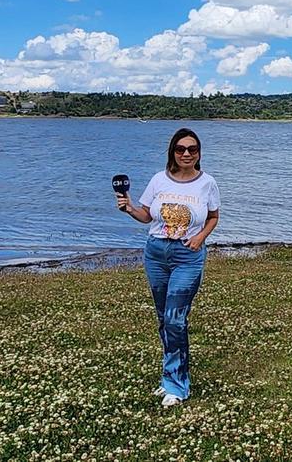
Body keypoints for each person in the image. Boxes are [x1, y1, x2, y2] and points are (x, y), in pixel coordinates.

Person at [117, 127, 220, 407]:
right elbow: (146, 215)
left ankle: (177, 386)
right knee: (164, 319)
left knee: (176, 318)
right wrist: (128, 207)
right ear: (172, 152)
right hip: (157, 253)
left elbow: (213, 216)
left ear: (198, 154)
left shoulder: (207, 183)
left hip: (188, 255)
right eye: (180, 149)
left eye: (192, 149)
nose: (186, 153)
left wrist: (200, 237)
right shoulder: (158, 180)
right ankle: (170, 376)